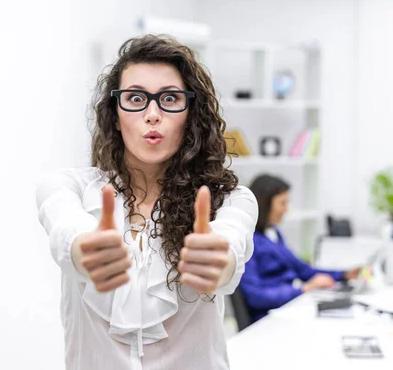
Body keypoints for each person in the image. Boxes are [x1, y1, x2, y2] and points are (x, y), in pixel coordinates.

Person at [36, 35, 258, 370]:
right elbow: (65, 226)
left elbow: (230, 241)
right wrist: (85, 251)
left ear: (191, 112)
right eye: (136, 98)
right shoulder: (70, 189)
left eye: (169, 98)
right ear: (115, 114)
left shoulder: (230, 200)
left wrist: (217, 261)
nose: (152, 114)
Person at [239, 174, 361, 322]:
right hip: (268, 318)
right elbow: (256, 296)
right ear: (265, 204)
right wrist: (304, 289)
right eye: (282, 203)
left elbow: (302, 269)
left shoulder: (273, 233)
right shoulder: (249, 241)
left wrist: (344, 275)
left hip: (288, 308)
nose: (286, 210)